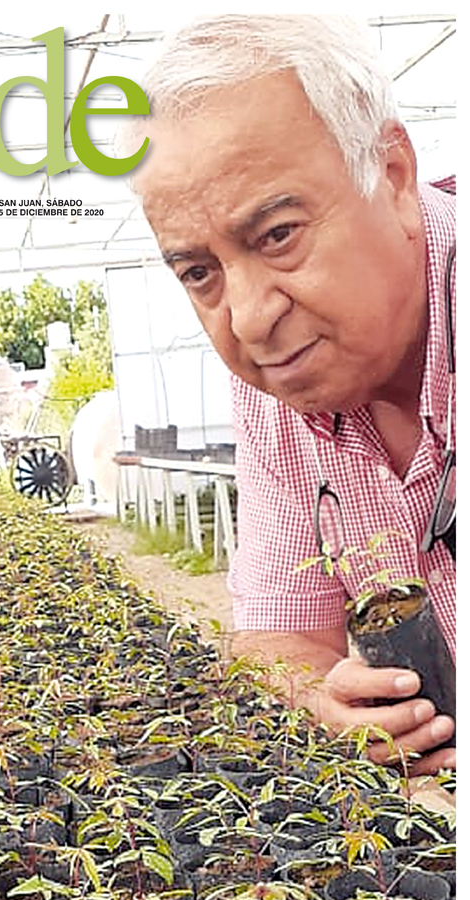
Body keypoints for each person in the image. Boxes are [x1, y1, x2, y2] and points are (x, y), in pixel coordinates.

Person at [126, 15, 455, 775]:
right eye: (199, 273)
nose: (249, 317)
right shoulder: (280, 393)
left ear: (393, 178)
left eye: (278, 234)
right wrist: (321, 697)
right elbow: (275, 635)